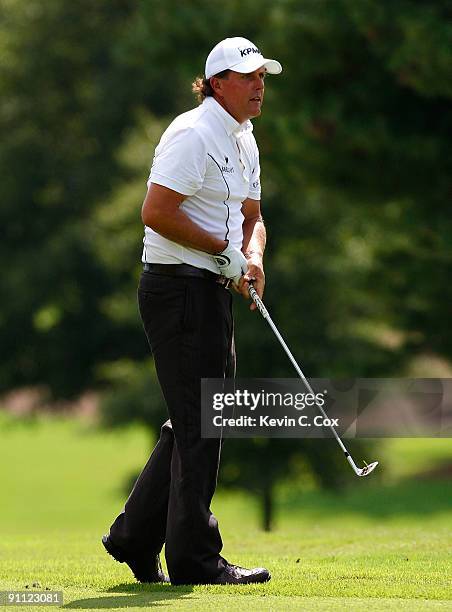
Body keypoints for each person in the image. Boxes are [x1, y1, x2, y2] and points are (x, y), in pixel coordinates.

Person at [102, 36, 282, 586]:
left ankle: (135, 536)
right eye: (248, 76)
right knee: (202, 421)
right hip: (176, 291)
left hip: (211, 290)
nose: (259, 86)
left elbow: (253, 216)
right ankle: (194, 560)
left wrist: (250, 258)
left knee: (195, 417)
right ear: (218, 82)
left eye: (262, 77)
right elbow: (155, 212)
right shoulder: (191, 133)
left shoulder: (244, 138)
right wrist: (221, 253)